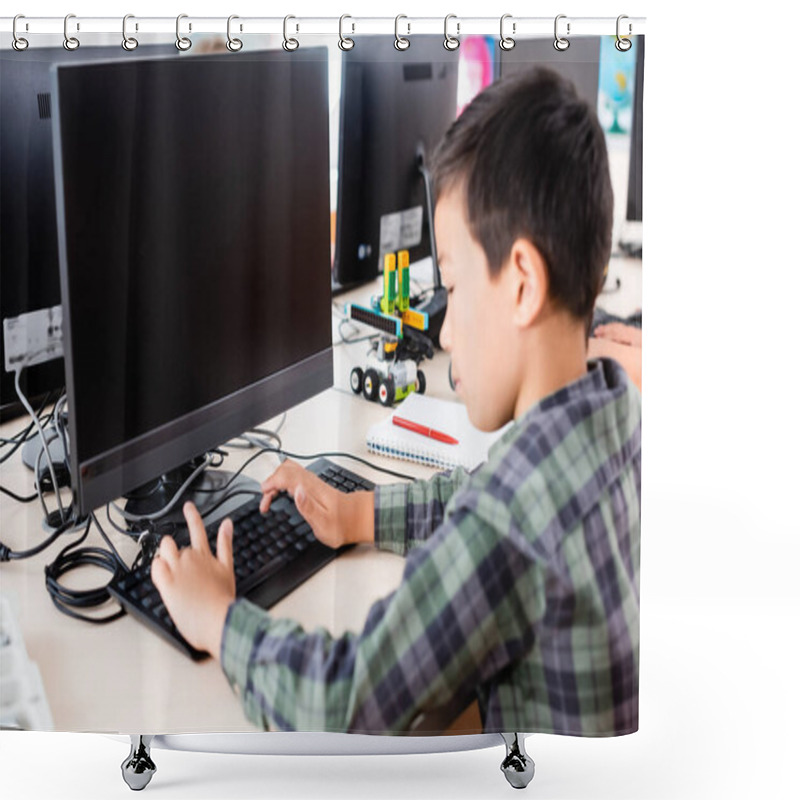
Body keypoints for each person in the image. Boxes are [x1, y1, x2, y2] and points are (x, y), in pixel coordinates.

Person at [151, 68, 642, 737]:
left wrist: (218, 618)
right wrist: (358, 513)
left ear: (522, 284)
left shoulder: (513, 524)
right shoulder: (614, 412)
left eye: (453, 286)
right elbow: (478, 491)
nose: (441, 330)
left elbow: (340, 705)